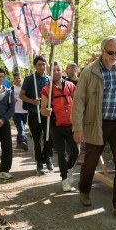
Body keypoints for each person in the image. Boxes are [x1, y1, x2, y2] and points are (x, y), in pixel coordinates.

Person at [72, 36, 116, 220]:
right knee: (91, 163)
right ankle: (84, 189)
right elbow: (78, 102)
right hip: (96, 124)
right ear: (103, 51)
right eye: (111, 52)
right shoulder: (89, 72)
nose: (114, 56)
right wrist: (77, 128)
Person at [41, 61, 79, 192]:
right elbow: (42, 109)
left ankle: (68, 168)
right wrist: (46, 111)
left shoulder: (71, 86)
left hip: (72, 125)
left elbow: (78, 101)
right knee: (61, 153)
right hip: (56, 126)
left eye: (58, 70)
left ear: (62, 71)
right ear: (50, 73)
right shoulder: (47, 89)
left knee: (76, 151)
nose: (56, 72)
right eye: (53, 70)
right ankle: (64, 179)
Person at [20, 55, 54, 175]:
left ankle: (48, 157)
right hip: (34, 114)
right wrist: (32, 101)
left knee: (49, 137)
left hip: (47, 114)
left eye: (43, 64)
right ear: (35, 66)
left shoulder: (50, 79)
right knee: (36, 139)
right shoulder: (29, 79)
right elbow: (21, 95)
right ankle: (39, 162)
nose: (41, 67)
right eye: (39, 64)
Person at [11, 72, 29, 150]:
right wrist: (12, 100)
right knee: (21, 127)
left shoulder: (25, 88)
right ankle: (24, 141)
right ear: (14, 80)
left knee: (21, 127)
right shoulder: (12, 88)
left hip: (25, 111)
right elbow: (8, 99)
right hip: (16, 112)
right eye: (16, 78)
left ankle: (19, 143)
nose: (18, 80)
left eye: (19, 78)